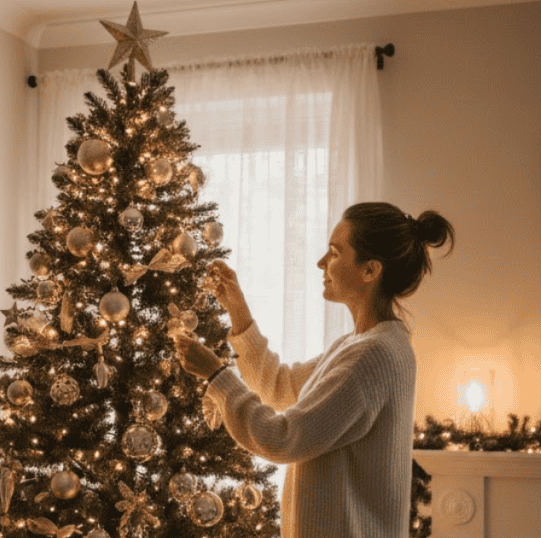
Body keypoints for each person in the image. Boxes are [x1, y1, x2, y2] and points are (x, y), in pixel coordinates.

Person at [174, 202, 454, 538]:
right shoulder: (358, 345)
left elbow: (282, 438)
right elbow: (278, 386)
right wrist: (237, 309)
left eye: (335, 254)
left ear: (370, 270)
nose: (321, 263)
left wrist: (217, 376)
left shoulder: (373, 356)